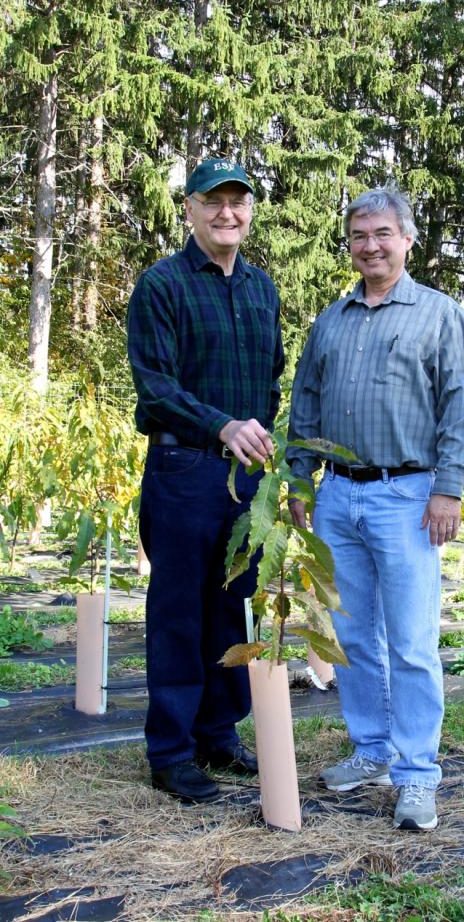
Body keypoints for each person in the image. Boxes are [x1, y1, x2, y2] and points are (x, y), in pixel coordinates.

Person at [287, 188, 464, 830]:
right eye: (359, 235)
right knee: (351, 638)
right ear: (350, 244)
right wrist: (300, 480)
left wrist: (448, 487)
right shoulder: (331, 319)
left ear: (407, 239)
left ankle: (418, 774)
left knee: (412, 642)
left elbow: (460, 405)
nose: (370, 245)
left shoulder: (439, 314)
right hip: (338, 495)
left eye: (383, 233)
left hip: (408, 497)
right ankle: (371, 751)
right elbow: (305, 403)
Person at [127, 158, 284, 803]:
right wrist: (220, 425)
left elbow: (271, 378)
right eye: (213, 202)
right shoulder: (161, 285)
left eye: (238, 203)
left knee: (230, 606)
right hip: (184, 469)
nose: (227, 214)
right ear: (189, 208)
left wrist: (259, 443)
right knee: (178, 612)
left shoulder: (261, 289)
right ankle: (170, 750)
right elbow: (156, 386)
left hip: (242, 478)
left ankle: (219, 732)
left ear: (250, 212)